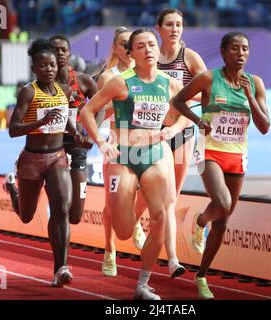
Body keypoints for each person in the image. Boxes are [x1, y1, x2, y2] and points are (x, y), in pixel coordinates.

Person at [81, 29, 189, 300]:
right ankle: (118, 241)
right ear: (132, 53)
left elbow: (185, 115)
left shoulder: (169, 84)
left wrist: (173, 130)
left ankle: (143, 283)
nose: (149, 50)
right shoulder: (120, 83)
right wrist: (102, 143)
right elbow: (86, 112)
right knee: (124, 230)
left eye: (152, 44)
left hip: (155, 154)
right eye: (141, 46)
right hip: (124, 158)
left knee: (161, 215)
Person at [172, 32, 270, 299]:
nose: (241, 54)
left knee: (224, 221)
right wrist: (197, 119)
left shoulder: (256, 83)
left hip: (237, 154)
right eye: (235, 49)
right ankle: (200, 220)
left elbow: (264, 127)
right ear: (224, 52)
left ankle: (202, 276)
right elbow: (177, 101)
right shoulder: (208, 78)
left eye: (245, 49)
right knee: (223, 203)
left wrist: (250, 98)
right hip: (209, 150)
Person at [133, 8, 208, 278]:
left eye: (179, 25)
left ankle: (172, 259)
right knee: (150, 188)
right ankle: (132, 222)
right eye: (170, 25)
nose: (175, 29)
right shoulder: (150, 57)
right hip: (153, 132)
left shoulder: (189, 58)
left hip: (183, 132)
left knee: (171, 197)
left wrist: (189, 104)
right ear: (159, 28)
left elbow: (207, 87)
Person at [3, 39, 78, 287]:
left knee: (62, 210)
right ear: (34, 68)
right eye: (43, 65)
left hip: (57, 157)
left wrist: (76, 134)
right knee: (26, 215)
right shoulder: (28, 91)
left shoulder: (63, 91)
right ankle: (12, 189)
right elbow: (13, 130)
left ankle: (61, 267)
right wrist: (39, 124)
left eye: (53, 65)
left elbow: (65, 119)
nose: (49, 69)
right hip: (31, 160)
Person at [95, 27, 147, 277]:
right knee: (110, 203)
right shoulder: (109, 77)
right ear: (115, 48)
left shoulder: (147, 74)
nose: (128, 49)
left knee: (147, 190)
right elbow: (97, 111)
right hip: (115, 142)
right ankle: (109, 249)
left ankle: (135, 221)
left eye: (131, 44)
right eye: (123, 44)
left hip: (143, 144)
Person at [49, 34, 101, 227]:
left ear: (70, 53)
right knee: (59, 208)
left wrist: (91, 132)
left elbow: (100, 106)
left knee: (76, 215)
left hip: (78, 149)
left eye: (63, 49)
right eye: (55, 49)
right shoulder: (42, 85)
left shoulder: (84, 81)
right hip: (51, 150)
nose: (60, 53)